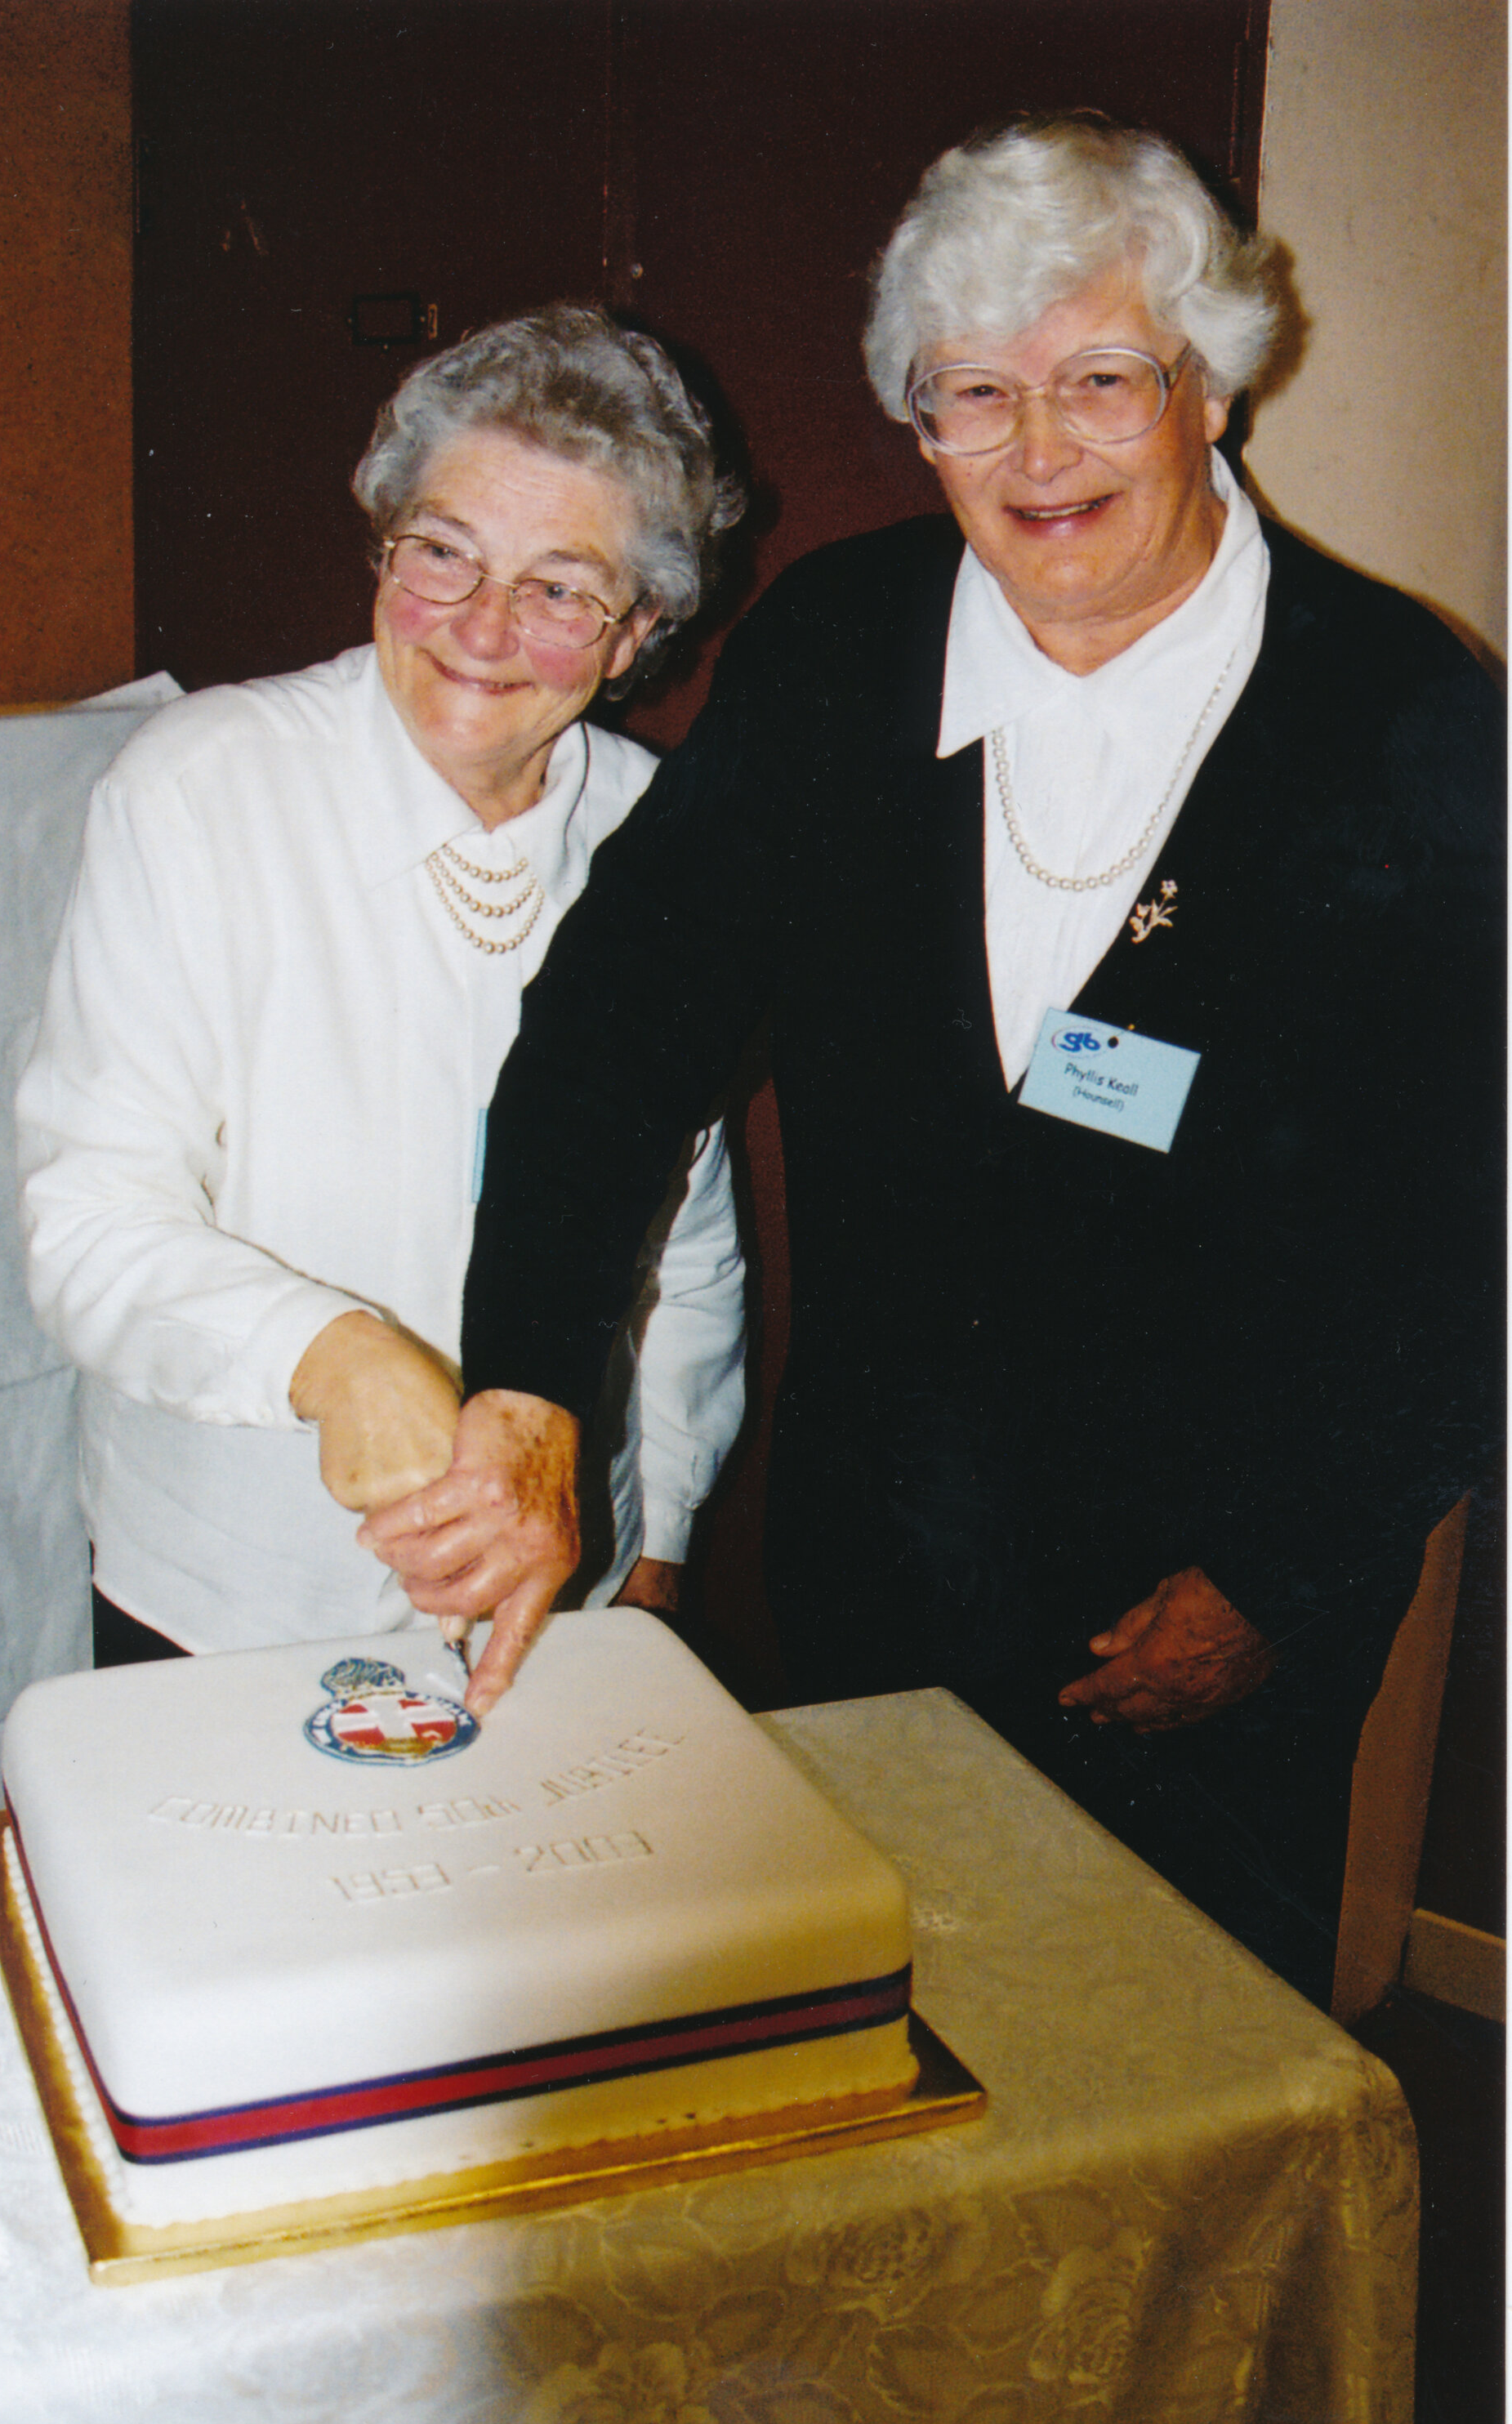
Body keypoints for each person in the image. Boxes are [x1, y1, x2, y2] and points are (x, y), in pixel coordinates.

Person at [362, 120, 1502, 2006]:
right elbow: (607, 1039)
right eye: (972, 394)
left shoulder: (1396, 715)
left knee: (1170, 2119)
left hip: (1211, 1631)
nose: (1035, 450)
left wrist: (1279, 1577)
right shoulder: (840, 650)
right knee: (874, 2093)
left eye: (1096, 383)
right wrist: (533, 1394)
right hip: (878, 1585)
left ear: (1207, 388)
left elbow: (1471, 1228)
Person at [16, 306, 747, 1665]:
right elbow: (90, 1216)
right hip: (237, 1597)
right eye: (446, 554)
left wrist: (661, 1538)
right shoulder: (203, 786)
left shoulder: (669, 836)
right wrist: (335, 1351)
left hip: (560, 1584)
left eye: (559, 587)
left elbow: (686, 1237)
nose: (483, 626)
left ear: (636, 629)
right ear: (384, 548)